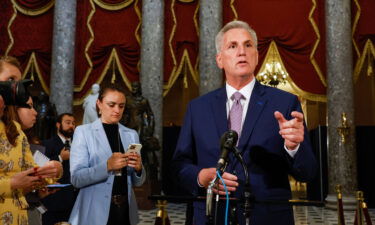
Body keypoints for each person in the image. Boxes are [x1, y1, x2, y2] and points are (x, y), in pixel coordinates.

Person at [171, 21, 317, 225]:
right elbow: (179, 166)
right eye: (233, 46)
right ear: (219, 60)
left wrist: (293, 147)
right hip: (212, 216)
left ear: (256, 56)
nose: (242, 51)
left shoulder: (284, 103)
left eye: (248, 45)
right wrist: (201, 176)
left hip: (267, 217)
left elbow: (308, 172)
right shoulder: (198, 108)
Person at [69, 84, 146, 225]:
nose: (117, 110)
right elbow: (76, 179)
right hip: (94, 211)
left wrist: (139, 169)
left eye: (121, 106)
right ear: (99, 104)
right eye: (111, 105)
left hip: (125, 210)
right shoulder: (83, 132)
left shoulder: (131, 134)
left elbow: (138, 182)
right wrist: (107, 166)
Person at [0, 55, 62, 224]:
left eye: (18, 81)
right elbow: (16, 181)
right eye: (11, 79)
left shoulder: (15, 129)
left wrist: (52, 171)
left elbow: (32, 171)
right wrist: (11, 183)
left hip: (18, 217)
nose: (16, 87)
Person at [41, 113, 77, 225]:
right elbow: (41, 167)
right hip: (53, 201)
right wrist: (60, 157)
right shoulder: (47, 144)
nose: (71, 125)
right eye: (67, 122)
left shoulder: (79, 144)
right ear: (58, 125)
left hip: (74, 201)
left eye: (73, 123)